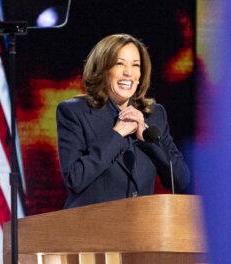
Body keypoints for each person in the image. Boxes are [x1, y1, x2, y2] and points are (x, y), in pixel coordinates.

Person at [57, 33, 191, 208]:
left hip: (139, 228)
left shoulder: (154, 114)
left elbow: (181, 179)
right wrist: (117, 134)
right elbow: (75, 179)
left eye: (135, 65)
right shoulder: (75, 112)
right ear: (102, 69)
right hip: (91, 228)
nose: (128, 73)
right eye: (119, 64)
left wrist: (147, 139)